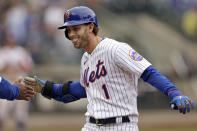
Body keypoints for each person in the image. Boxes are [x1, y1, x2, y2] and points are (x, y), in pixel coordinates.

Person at [24, 6, 194, 131]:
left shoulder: (116, 49)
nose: (71, 34)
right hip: (91, 125)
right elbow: (86, 89)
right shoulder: (85, 58)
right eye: (68, 30)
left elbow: (149, 72)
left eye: (76, 28)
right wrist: (49, 89)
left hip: (121, 125)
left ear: (91, 27)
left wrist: (175, 93)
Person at [0, 34, 34, 131]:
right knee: (2, 108)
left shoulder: (22, 51)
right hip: (6, 82)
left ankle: (21, 127)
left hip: (20, 81)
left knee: (21, 110)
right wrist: (8, 67)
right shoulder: (3, 51)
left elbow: (29, 67)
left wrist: (16, 66)